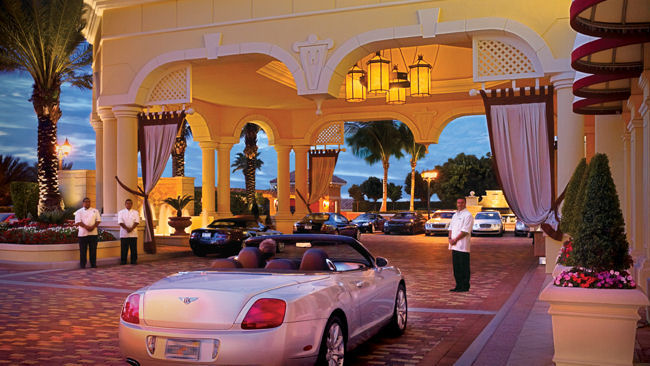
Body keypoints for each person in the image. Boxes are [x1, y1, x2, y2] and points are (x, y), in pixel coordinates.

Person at [448, 197, 474, 292]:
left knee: (464, 267)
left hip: (463, 246)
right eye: (458, 202)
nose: (460, 204)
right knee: (456, 268)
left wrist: (455, 239)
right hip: (454, 246)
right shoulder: (455, 215)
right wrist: (450, 238)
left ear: (465, 203)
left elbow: (465, 231)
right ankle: (458, 285)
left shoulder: (468, 215)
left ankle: (465, 286)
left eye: (462, 203)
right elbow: (450, 228)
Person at [75, 197, 101, 269]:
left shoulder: (95, 211)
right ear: (83, 203)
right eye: (85, 202)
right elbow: (78, 221)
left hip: (93, 234)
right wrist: (87, 227)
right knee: (83, 251)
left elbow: (98, 220)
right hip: (82, 234)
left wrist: (92, 227)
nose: (87, 203)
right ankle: (82, 265)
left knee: (93, 250)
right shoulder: (79, 211)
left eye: (88, 202)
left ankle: (93, 264)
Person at [118, 198, 140, 265]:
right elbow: (120, 222)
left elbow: (137, 221)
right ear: (125, 204)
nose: (128, 205)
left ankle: (134, 261)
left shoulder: (136, 212)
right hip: (124, 233)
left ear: (132, 204)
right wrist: (127, 229)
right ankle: (123, 261)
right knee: (124, 249)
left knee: (133, 248)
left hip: (133, 233)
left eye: (130, 203)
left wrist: (131, 228)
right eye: (127, 203)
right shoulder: (121, 212)